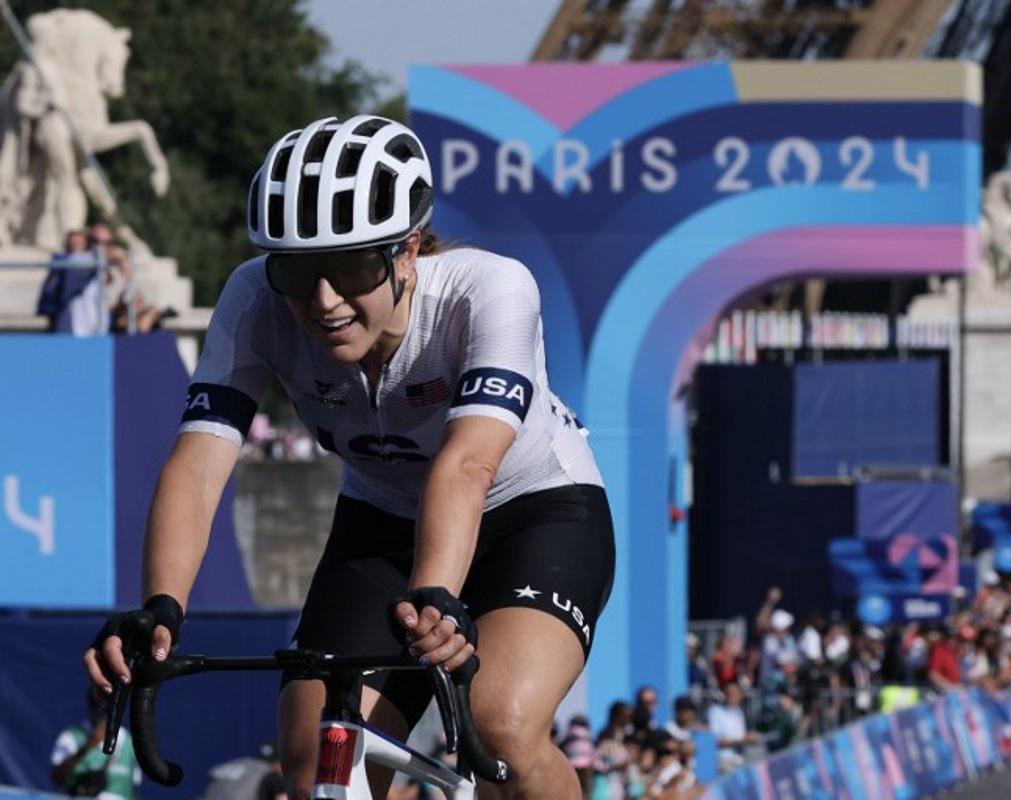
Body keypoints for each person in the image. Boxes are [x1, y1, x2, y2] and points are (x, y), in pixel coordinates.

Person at [83, 114, 615, 800]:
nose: (323, 300)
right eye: (299, 271)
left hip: (531, 511)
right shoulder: (255, 299)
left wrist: (437, 599)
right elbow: (199, 460)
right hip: (384, 520)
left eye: (353, 267)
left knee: (501, 728)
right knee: (317, 763)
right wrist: (161, 607)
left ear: (409, 251)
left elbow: (467, 465)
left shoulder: (488, 290)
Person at [50, 687, 140, 800]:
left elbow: (134, 786)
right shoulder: (71, 737)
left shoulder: (128, 741)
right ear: (90, 705)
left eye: (108, 706)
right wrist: (88, 746)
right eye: (98, 705)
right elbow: (56, 776)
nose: (102, 712)